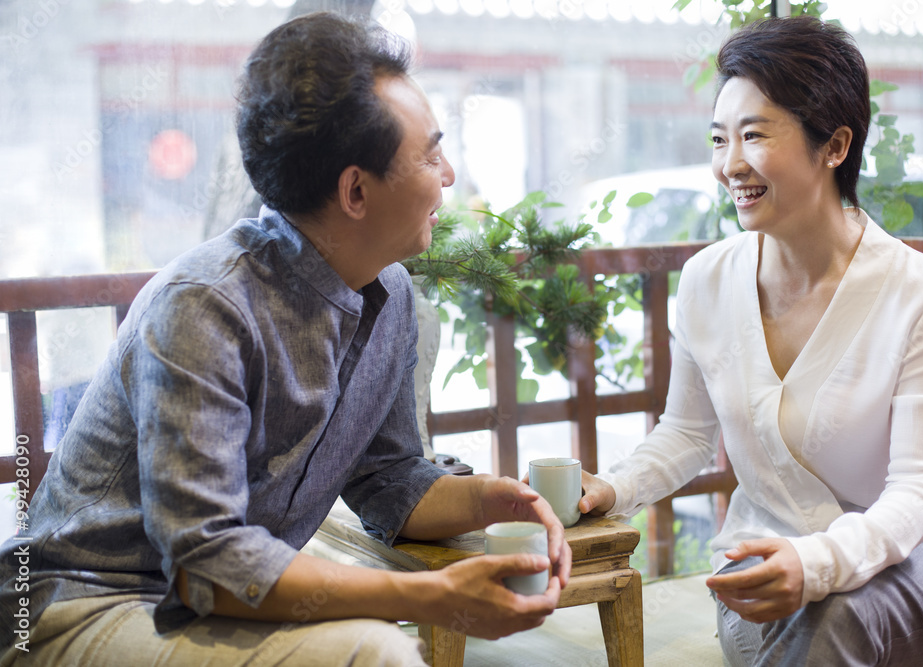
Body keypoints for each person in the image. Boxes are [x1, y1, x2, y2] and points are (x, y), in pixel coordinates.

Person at [0, 12, 571, 665]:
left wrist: (496, 499)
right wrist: (428, 593)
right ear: (355, 189)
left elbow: (389, 481)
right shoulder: (205, 307)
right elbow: (207, 564)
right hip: (80, 607)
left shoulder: (394, 295)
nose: (448, 175)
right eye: (430, 153)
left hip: (203, 603)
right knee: (375, 651)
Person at [580, 16, 923, 667]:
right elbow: (687, 434)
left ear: (835, 145)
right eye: (719, 138)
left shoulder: (921, 293)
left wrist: (816, 562)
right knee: (800, 627)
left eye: (754, 135)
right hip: (762, 560)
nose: (728, 164)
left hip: (917, 561)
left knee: (836, 613)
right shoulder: (709, 280)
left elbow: (919, 490)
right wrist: (614, 488)